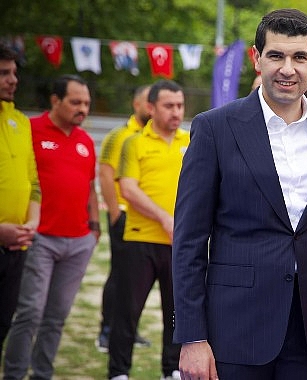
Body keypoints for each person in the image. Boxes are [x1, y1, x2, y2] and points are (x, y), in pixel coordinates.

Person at [172, 8, 307, 380]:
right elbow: (189, 240)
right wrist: (192, 336)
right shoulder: (215, 128)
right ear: (257, 59)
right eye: (276, 55)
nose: (287, 68)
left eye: (299, 57)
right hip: (235, 326)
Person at [3, 74, 99, 379]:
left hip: (78, 242)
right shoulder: (30, 130)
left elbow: (90, 186)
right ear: (55, 101)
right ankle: (14, 374)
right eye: (75, 102)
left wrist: (94, 228)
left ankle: (42, 373)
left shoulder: (85, 140)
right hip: (40, 238)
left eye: (86, 102)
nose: (82, 108)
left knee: (56, 317)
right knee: (30, 314)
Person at [107, 79, 188, 380]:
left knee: (177, 313)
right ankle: (118, 372)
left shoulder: (189, 141)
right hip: (140, 240)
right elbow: (128, 188)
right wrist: (165, 219)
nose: (176, 112)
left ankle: (173, 369)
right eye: (169, 106)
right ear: (151, 107)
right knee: (127, 312)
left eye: (180, 105)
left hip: (178, 244)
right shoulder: (134, 142)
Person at [95, 85, 152, 353]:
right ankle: (106, 330)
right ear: (136, 103)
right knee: (118, 276)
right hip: (123, 216)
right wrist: (116, 213)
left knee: (134, 280)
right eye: (147, 101)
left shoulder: (151, 137)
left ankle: (129, 329)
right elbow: (105, 175)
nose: (152, 107)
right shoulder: (119, 136)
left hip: (145, 222)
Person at [0, 44, 40, 362]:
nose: (13, 80)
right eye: (4, 73)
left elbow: (34, 184)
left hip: (17, 247)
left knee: (3, 324)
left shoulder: (21, 122)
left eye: (14, 73)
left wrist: (32, 223)